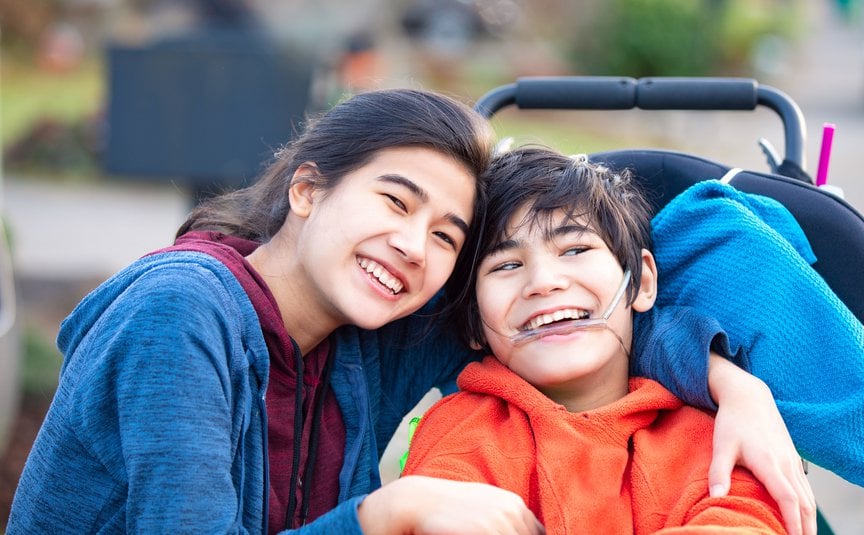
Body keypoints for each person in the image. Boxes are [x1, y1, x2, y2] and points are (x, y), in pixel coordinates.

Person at [10, 90, 814, 535]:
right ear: (306, 188)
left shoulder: (370, 335)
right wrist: (382, 512)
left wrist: (730, 381)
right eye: (394, 200)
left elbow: (568, 319)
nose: (410, 245)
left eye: (445, 234)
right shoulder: (181, 313)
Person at [402, 146, 864, 534]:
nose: (543, 281)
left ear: (641, 284)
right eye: (507, 265)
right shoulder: (462, 431)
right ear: (471, 324)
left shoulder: (712, 435)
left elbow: (746, 521)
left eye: (575, 248)